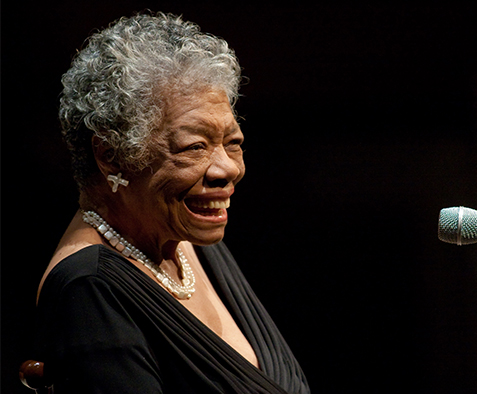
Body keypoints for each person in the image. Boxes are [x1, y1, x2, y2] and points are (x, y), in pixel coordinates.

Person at [34, 12, 310, 394]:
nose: (226, 168)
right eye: (194, 147)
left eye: (233, 142)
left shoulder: (187, 242)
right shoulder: (90, 290)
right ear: (111, 155)